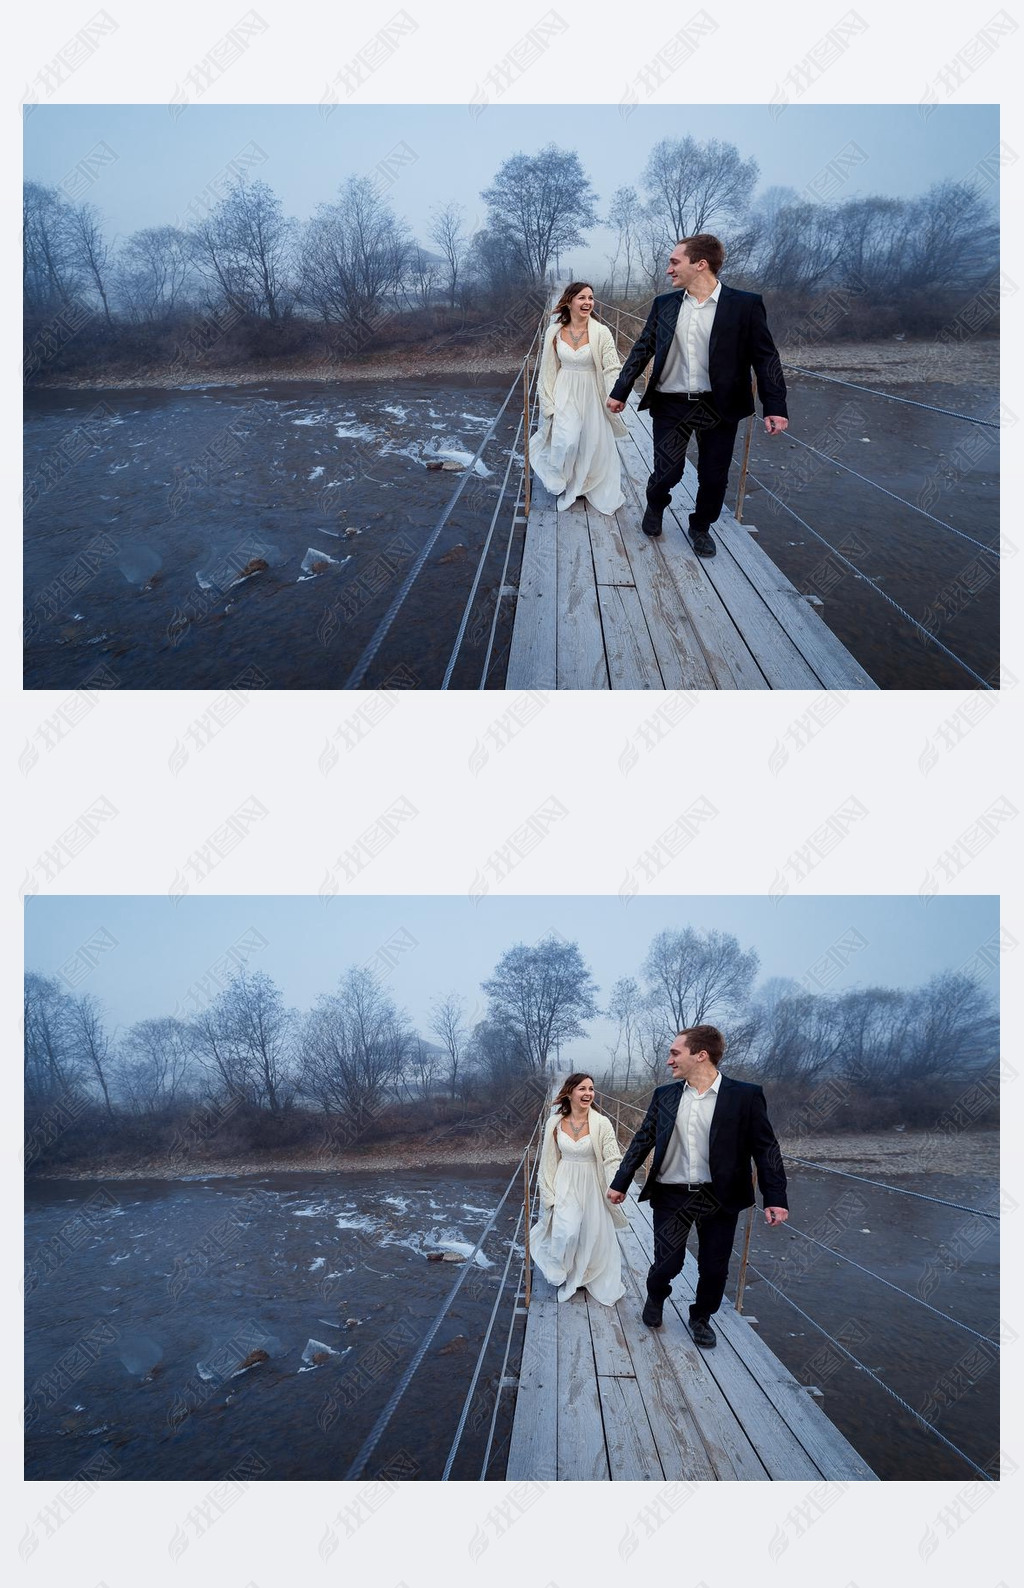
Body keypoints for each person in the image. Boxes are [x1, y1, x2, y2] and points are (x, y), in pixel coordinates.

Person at [606, 235, 788, 558]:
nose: (668, 270)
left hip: (719, 405)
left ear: (700, 264)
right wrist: (621, 390)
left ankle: (701, 526)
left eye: (675, 262)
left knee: (714, 477)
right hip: (671, 402)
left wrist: (775, 406)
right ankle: (656, 505)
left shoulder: (745, 305)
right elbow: (643, 348)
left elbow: (765, 358)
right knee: (668, 470)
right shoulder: (665, 305)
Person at [607, 1026, 788, 1348]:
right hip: (671, 1193)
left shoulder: (744, 1096)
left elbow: (765, 1149)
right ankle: (656, 1296)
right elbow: (643, 1139)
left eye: (675, 1053)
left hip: (719, 1196)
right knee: (667, 1262)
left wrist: (775, 1198)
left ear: (701, 1055)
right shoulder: (665, 1095)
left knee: (714, 1267)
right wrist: (621, 1182)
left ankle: (701, 1316)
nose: (668, 1061)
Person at [531, 1072, 628, 1305]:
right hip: (565, 1181)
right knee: (567, 1231)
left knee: (590, 1231)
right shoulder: (554, 1122)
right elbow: (548, 1159)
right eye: (582, 1089)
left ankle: (585, 1275)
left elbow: (612, 1157)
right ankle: (564, 1270)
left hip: (592, 1181)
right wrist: (548, 1192)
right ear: (570, 1092)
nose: (588, 1094)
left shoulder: (601, 1123)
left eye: (591, 1089)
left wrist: (617, 1183)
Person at [531, 282, 627, 515]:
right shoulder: (553, 331)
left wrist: (616, 392)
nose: (587, 303)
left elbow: (612, 366)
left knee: (590, 440)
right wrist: (548, 403)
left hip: (592, 390)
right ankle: (564, 479)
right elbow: (547, 369)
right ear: (569, 301)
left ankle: (584, 483)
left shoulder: (601, 331)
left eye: (591, 298)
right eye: (582, 298)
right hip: (564, 389)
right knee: (567, 439)